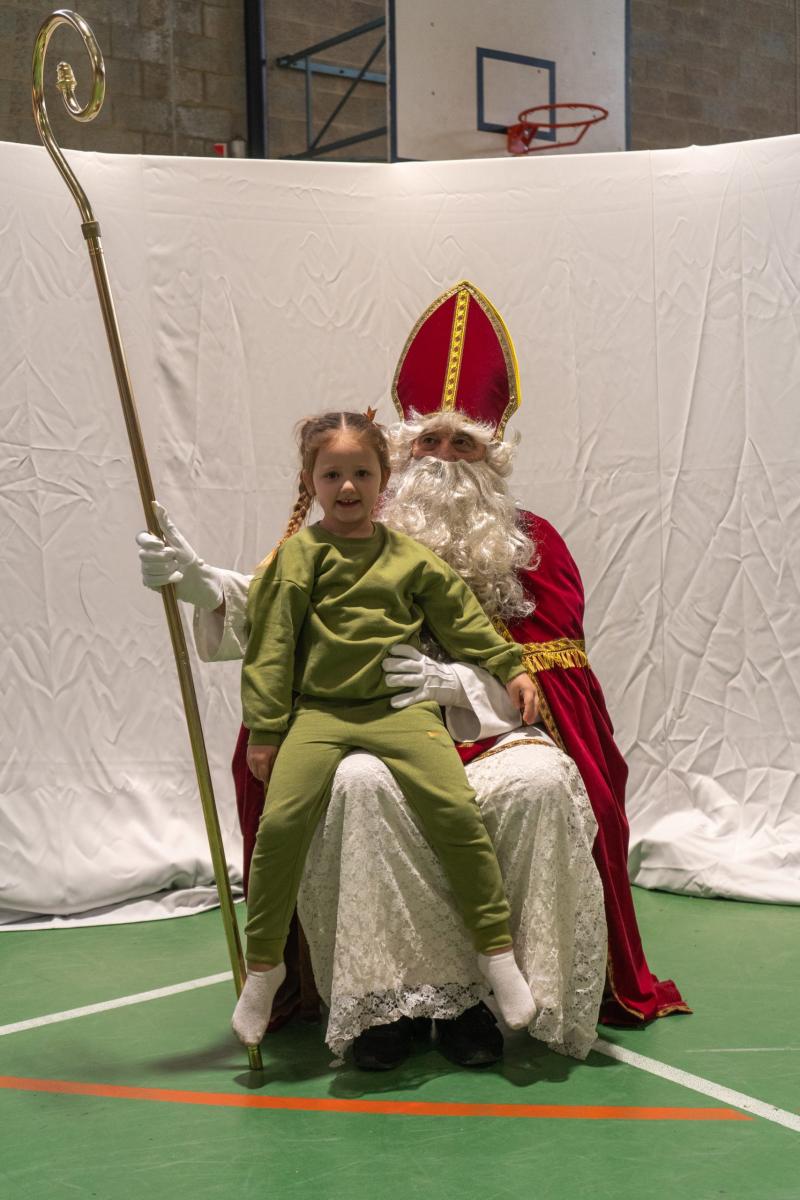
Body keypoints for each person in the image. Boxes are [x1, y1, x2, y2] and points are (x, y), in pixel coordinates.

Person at [138, 281, 685, 1068]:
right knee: (358, 788)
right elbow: (280, 607)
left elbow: (555, 687)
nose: (444, 459)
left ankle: (487, 997)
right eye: (430, 441)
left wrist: (457, 687)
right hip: (365, 728)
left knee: (538, 786)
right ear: (401, 450)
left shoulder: (531, 546)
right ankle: (383, 1002)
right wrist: (203, 586)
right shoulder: (357, 525)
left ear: (492, 457)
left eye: (464, 444)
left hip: (490, 735)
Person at [231, 409, 540, 1046]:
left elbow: (463, 620)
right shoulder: (298, 557)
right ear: (310, 481)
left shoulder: (408, 558)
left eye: (362, 473)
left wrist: (510, 666)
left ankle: (496, 953)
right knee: (280, 827)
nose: (348, 487)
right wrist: (265, 728)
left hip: (401, 711)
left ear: (383, 477)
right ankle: (262, 969)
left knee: (456, 813)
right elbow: (271, 645)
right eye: (332, 475)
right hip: (320, 714)